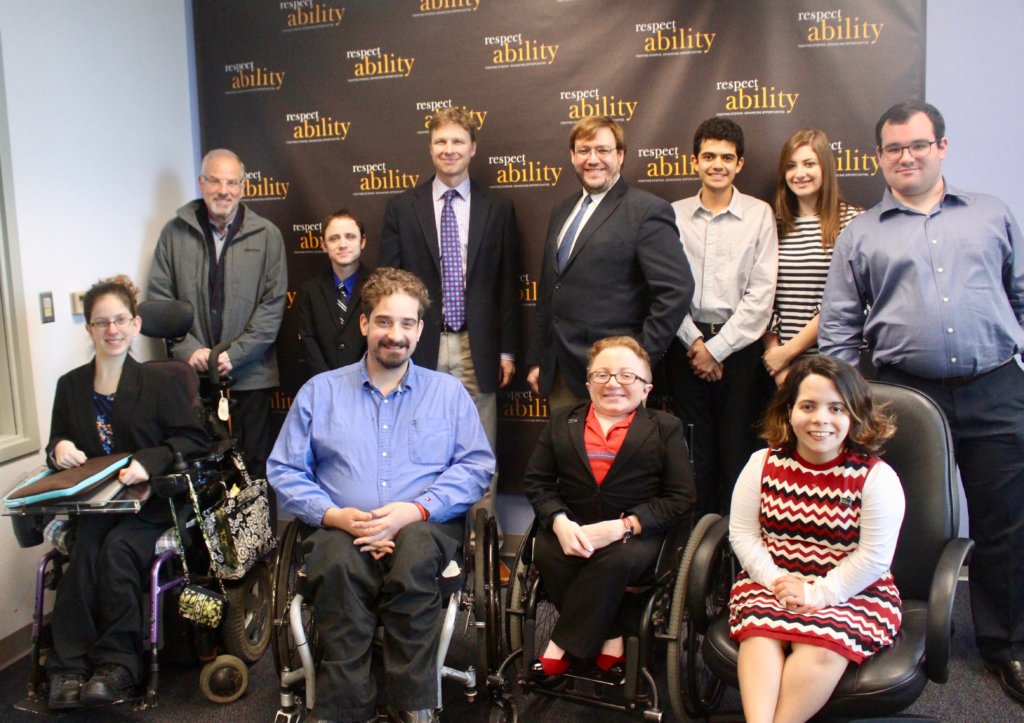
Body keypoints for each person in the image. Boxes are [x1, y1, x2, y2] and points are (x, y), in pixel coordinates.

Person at [819, 99, 1024, 705]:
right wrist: (854, 400)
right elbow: (838, 330)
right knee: (900, 522)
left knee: (1005, 522)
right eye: (892, 148)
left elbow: (1019, 293)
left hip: (994, 387)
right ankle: (899, 628)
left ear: (941, 147)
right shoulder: (861, 233)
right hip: (903, 396)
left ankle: (1004, 645)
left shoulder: (991, 214)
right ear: (879, 157)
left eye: (917, 144)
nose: (906, 156)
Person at [267, 267, 494, 723]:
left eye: (407, 323)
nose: (396, 334)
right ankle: (345, 707)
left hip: (423, 524)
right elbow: (284, 469)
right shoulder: (320, 392)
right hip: (339, 526)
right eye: (385, 321)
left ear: (420, 329)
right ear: (365, 323)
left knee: (412, 560)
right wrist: (335, 516)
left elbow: (476, 467)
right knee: (337, 567)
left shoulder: (447, 393)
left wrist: (413, 510)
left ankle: (413, 703)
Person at [44, 276, 208, 710]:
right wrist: (58, 448)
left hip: (150, 505)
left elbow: (194, 439)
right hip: (96, 506)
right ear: (89, 329)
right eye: (102, 322)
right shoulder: (71, 386)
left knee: (117, 552)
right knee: (83, 558)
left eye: (120, 320)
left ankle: (117, 667)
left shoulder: (163, 382)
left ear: (136, 325)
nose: (112, 329)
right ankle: (69, 667)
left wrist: (149, 462)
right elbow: (57, 439)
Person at [729, 355, 903, 723]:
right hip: (771, 582)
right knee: (760, 637)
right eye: (808, 406)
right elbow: (743, 535)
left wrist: (816, 595)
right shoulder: (761, 464)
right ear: (789, 411)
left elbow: (873, 558)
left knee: (819, 646)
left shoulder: (877, 478)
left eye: (836, 408)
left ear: (854, 415)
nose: (820, 418)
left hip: (853, 592)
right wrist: (777, 581)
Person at [524, 336, 695, 680]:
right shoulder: (561, 421)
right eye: (601, 375)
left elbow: (680, 497)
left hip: (636, 535)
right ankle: (613, 636)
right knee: (547, 551)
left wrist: (623, 527)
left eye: (627, 376)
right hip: (573, 527)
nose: (613, 383)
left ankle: (560, 646)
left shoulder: (665, 428)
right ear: (588, 384)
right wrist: (559, 522)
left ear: (646, 388)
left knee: (614, 559)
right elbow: (537, 482)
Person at [379, 106, 521, 468]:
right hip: (419, 343)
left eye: (458, 140)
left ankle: (482, 524)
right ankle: (426, 524)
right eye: (440, 141)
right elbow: (388, 285)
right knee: (417, 442)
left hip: (479, 345)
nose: (449, 148)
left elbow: (507, 284)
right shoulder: (402, 208)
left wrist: (507, 352)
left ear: (473, 147)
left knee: (480, 449)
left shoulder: (499, 208)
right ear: (430, 148)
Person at [526, 115, 693, 410]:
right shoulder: (562, 210)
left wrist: (636, 360)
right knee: (566, 457)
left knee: (615, 457)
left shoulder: (647, 211)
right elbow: (551, 290)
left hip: (615, 381)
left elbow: (676, 290)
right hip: (561, 376)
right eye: (584, 150)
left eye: (602, 150)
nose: (593, 159)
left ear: (620, 155)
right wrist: (542, 359)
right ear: (572, 156)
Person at [148, 148, 287, 480]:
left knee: (253, 470)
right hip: (190, 380)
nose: (223, 190)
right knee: (202, 475)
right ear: (201, 183)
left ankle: (259, 534)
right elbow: (160, 302)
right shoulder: (173, 233)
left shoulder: (268, 235)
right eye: (214, 181)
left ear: (243, 187)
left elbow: (273, 306)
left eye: (231, 182)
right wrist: (190, 351)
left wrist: (233, 356)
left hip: (249, 377)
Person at [669, 117, 778, 518]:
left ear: (740, 164)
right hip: (685, 350)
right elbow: (668, 289)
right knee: (694, 456)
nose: (718, 164)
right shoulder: (674, 215)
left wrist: (715, 349)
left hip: (742, 351)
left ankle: (736, 553)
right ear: (694, 161)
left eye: (727, 158)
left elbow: (761, 296)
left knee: (739, 454)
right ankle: (697, 557)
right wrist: (696, 344)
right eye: (709, 156)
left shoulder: (759, 214)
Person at [762, 129, 861, 386]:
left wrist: (789, 351)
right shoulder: (773, 223)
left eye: (809, 164)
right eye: (791, 166)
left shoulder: (852, 223)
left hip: (833, 363)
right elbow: (763, 295)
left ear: (825, 168)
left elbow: (843, 302)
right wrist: (775, 359)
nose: (800, 174)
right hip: (781, 368)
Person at [296, 208, 372, 379]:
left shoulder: (379, 287)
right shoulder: (310, 291)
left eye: (350, 237)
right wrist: (328, 383)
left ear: (362, 241)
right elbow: (308, 342)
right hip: (324, 387)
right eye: (334, 238)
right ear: (323, 244)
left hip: (369, 383)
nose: (342, 244)